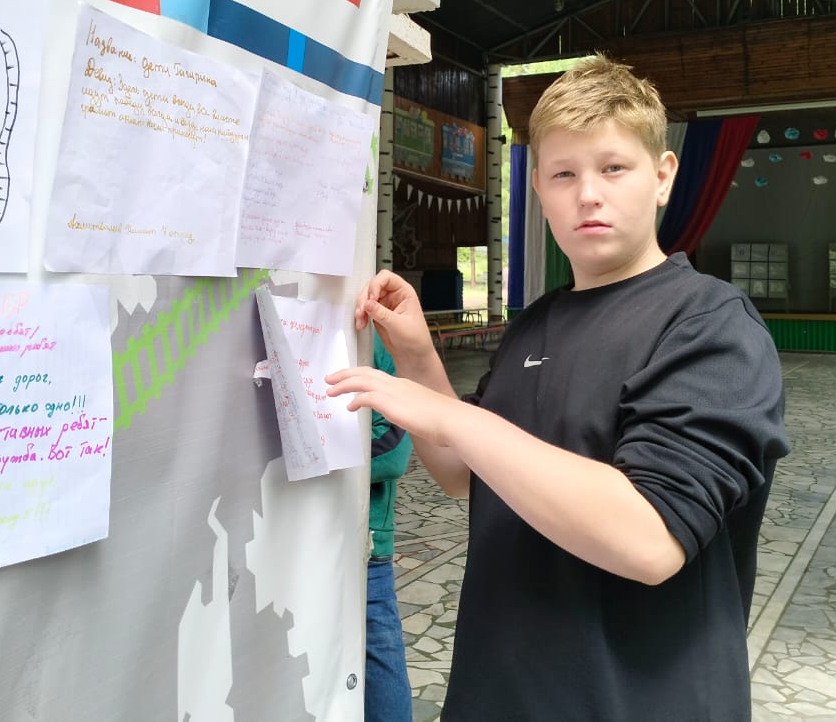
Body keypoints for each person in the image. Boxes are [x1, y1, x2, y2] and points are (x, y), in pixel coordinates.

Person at [327, 55, 790, 720]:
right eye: (564, 174)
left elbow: (651, 538)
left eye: (614, 167)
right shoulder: (535, 324)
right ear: (539, 190)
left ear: (663, 177)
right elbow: (463, 473)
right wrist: (419, 357)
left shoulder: (709, 324)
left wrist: (453, 418)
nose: (588, 194)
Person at [364, 335, 413, 721]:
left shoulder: (371, 337)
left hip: (364, 550)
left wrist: (309, 459)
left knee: (379, 665)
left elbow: (394, 450)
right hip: (279, 538)